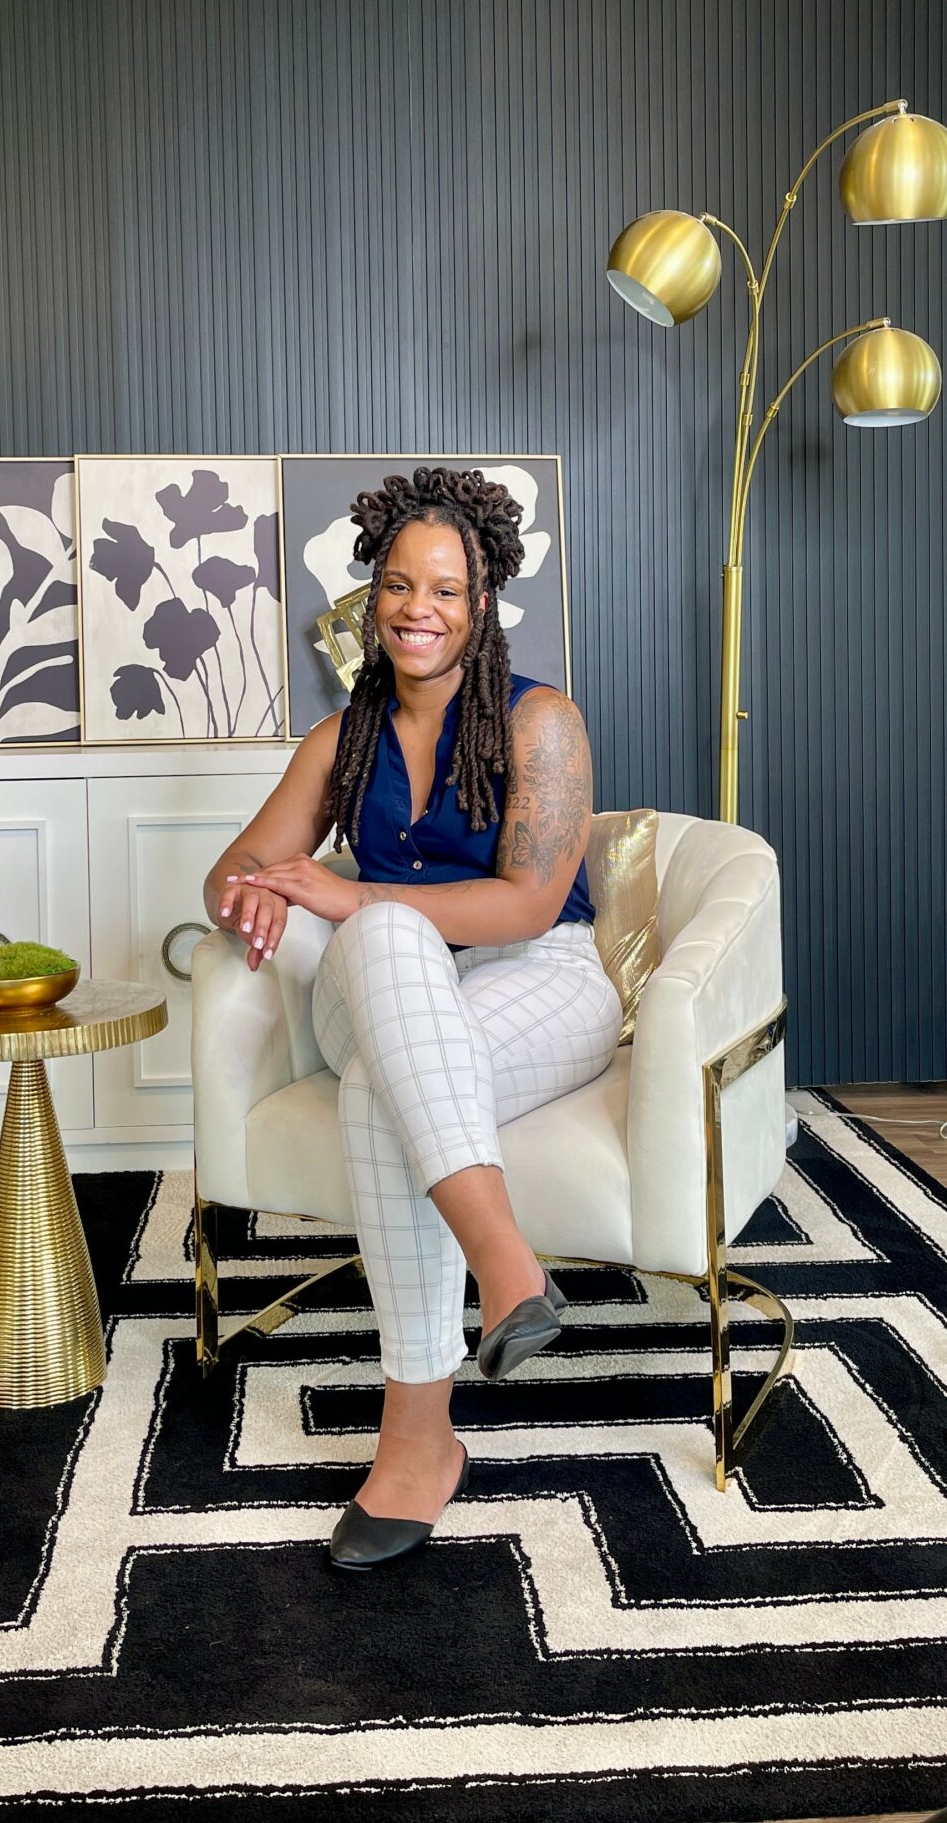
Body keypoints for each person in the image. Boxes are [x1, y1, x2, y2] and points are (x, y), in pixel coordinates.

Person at [201, 465, 623, 1570]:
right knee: (386, 944)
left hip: (542, 977)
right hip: (389, 990)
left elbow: (530, 899)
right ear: (371, 595)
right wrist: (252, 889)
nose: (416, 608)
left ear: (482, 602)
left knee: (378, 1080)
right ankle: (505, 1262)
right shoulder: (341, 738)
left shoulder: (544, 723)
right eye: (396, 583)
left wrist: (343, 891)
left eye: (444, 587)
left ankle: (416, 1439)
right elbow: (232, 868)